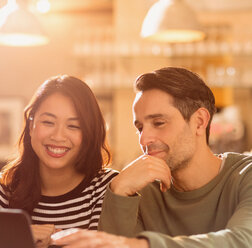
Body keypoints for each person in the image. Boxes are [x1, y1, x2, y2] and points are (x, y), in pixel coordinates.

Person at [52, 67, 252, 248]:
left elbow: (242, 240)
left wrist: (140, 245)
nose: (144, 139)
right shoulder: (139, 192)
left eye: (158, 123)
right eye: (139, 128)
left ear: (199, 122)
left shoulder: (246, 176)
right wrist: (118, 191)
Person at [0, 75, 118, 247]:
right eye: (48, 122)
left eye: (73, 126)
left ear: (89, 134)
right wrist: (19, 238)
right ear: (31, 125)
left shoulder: (107, 188)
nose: (58, 136)